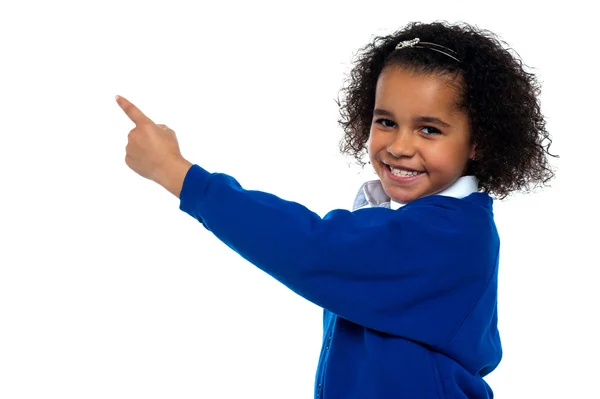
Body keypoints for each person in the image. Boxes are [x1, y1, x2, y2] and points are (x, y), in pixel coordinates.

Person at [117, 20, 555, 399]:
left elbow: (311, 249)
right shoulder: (409, 220)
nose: (400, 146)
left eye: (429, 129)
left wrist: (177, 173)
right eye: (386, 122)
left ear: (478, 142)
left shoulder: (449, 236)